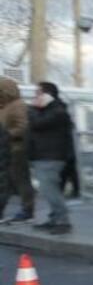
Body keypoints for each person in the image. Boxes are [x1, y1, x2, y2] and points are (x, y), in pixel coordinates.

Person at [27, 82, 74, 234]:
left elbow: (37, 124)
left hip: (51, 156)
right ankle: (54, 218)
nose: (36, 96)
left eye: (39, 93)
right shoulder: (47, 111)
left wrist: (33, 108)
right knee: (48, 190)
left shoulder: (58, 111)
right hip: (42, 155)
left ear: (48, 95)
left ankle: (62, 220)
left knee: (50, 190)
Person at [0, 77, 35, 223]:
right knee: (5, 182)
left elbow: (24, 126)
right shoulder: (4, 106)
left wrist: (7, 135)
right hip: (5, 150)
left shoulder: (18, 105)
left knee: (20, 180)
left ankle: (27, 210)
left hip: (16, 150)